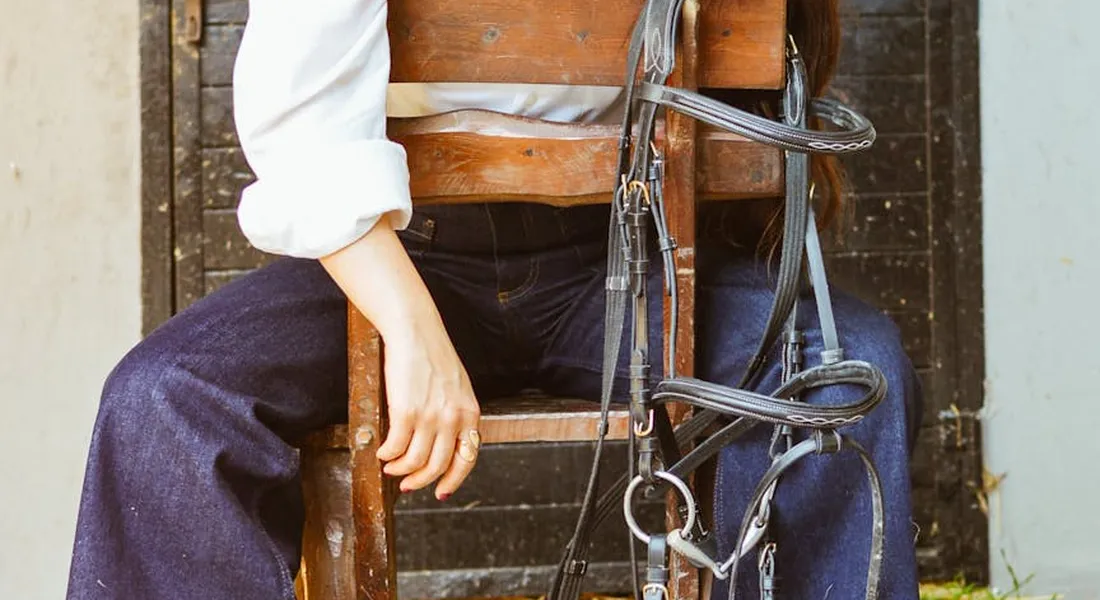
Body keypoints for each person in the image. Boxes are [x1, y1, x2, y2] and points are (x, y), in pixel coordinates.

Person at [66, 0, 923, 598]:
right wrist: (412, 331)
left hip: (618, 248)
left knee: (844, 373)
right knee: (163, 405)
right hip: (396, 255)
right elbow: (301, 128)